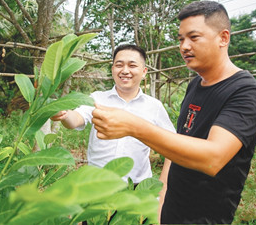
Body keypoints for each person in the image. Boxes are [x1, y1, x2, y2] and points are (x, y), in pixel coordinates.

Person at [91, 1, 256, 224]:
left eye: (193, 37)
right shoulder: (196, 85)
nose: (184, 46)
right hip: (172, 211)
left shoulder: (245, 92)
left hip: (204, 217)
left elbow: (213, 159)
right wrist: (161, 200)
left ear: (223, 38)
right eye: (181, 39)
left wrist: (134, 127)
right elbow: (178, 145)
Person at [51, 44, 175, 184]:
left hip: (136, 188)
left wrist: (163, 186)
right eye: (119, 65)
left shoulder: (154, 107)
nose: (125, 70)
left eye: (132, 65)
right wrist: (64, 113)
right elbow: (76, 119)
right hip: (98, 185)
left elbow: (173, 146)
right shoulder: (97, 98)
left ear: (144, 71)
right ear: (113, 69)